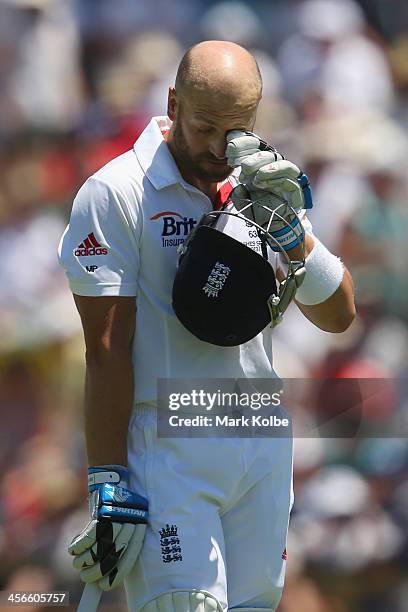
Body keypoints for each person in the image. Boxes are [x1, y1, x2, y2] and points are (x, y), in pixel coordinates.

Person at [58, 40, 355, 612]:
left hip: (259, 437)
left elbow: (338, 314)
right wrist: (107, 478)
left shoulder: (263, 183)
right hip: (169, 447)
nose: (221, 146)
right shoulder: (116, 191)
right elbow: (106, 347)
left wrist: (292, 232)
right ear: (173, 102)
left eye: (237, 126)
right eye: (204, 125)